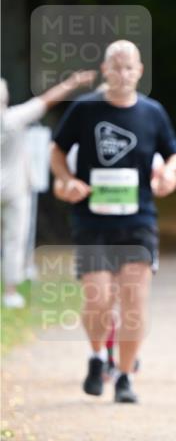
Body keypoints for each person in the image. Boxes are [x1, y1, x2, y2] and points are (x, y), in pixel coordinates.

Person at [51, 40, 176, 403]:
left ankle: (125, 376)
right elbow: (57, 151)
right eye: (116, 67)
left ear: (139, 71)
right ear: (105, 70)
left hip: (138, 219)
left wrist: (170, 174)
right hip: (92, 220)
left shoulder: (152, 112)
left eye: (129, 68)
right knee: (99, 299)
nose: (123, 74)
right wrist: (66, 180)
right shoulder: (84, 109)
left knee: (134, 302)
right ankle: (97, 356)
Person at [1, 70, 96, 308]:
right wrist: (73, 83)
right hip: (16, 188)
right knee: (15, 238)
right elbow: (47, 100)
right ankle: (10, 291)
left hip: (14, 186)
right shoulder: (14, 118)